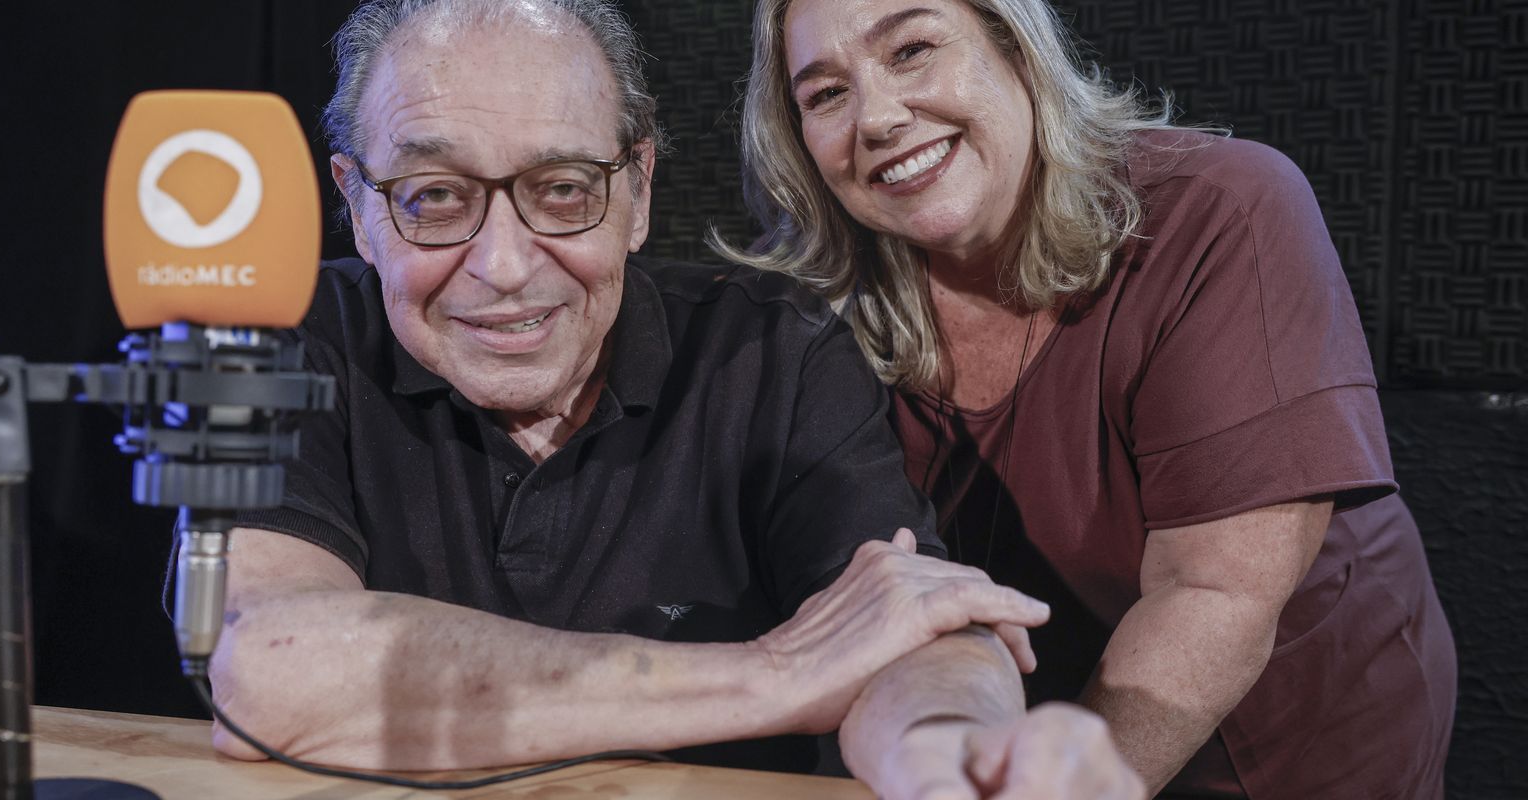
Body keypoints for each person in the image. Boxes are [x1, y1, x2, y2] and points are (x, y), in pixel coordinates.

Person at [201, 1, 1145, 797]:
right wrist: (774, 674)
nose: (504, 265)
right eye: (435, 196)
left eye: (564, 189)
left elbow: (910, 626)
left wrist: (950, 751)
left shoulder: (777, 352)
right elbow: (264, 669)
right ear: (357, 204)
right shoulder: (274, 340)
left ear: (639, 191)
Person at [720, 0, 1458, 797]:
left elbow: (1214, 593)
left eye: (912, 50)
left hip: (1292, 743)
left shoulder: (1222, 208)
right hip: (1029, 737)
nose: (877, 118)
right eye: (826, 94)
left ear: (1016, 50)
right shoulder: (803, 300)